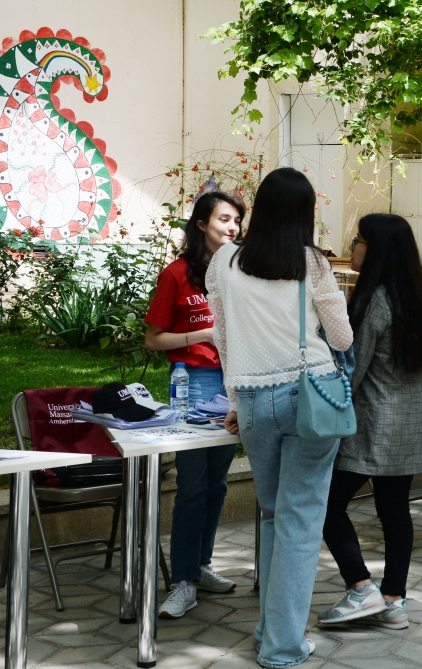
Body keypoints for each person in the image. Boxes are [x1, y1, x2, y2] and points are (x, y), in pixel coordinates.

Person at [208, 167, 353, 668]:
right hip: (310, 394)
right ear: (306, 213)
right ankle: (284, 648)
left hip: (251, 400)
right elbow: (342, 338)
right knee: (299, 522)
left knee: (273, 514)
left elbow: (222, 337)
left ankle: (272, 630)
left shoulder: (224, 260)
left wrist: (233, 397)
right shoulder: (311, 263)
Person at [319, 214, 422, 630]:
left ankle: (360, 587)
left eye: (357, 239)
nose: (350, 246)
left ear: (376, 249)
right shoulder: (416, 299)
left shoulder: (374, 301)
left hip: (371, 426)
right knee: (394, 511)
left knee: (326, 505)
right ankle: (394, 601)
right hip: (407, 424)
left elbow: (353, 370)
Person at [144, 191, 245, 618]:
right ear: (202, 224)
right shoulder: (177, 275)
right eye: (224, 218)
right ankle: (182, 581)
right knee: (192, 486)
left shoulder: (240, 270)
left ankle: (201, 566)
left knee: (218, 483)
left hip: (235, 381)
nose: (233, 227)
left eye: (237, 220)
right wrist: (198, 337)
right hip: (194, 382)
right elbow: (152, 338)